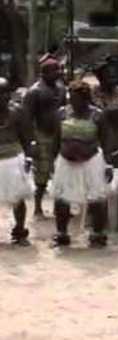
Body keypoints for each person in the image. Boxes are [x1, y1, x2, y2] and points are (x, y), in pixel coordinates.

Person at [50, 81, 110, 248]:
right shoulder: (62, 113)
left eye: (76, 99)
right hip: (66, 162)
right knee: (62, 198)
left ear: (86, 99)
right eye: (71, 98)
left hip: (91, 162)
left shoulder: (98, 115)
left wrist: (109, 165)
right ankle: (62, 233)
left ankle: (98, 234)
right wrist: (51, 162)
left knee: (96, 198)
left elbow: (105, 142)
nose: (73, 102)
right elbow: (55, 140)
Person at [22, 56, 66, 218]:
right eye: (55, 70)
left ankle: (59, 207)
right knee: (42, 173)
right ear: (44, 73)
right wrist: (31, 141)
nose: (59, 72)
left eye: (59, 69)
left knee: (61, 171)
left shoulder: (61, 89)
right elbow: (27, 118)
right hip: (42, 135)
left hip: (60, 135)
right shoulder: (34, 92)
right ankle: (38, 207)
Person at [0, 78, 35, 246]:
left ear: (9, 95)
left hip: (14, 159)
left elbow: (27, 137)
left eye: (4, 93)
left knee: (18, 198)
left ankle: (20, 231)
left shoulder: (17, 111)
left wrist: (29, 157)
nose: (2, 97)